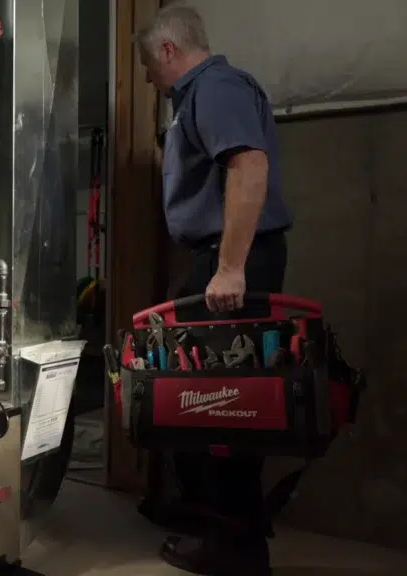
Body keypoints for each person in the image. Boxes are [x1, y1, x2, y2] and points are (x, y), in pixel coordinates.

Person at [134, 5, 292, 575]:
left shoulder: (215, 87)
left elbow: (249, 167)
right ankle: (209, 518)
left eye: (150, 66)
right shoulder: (201, 97)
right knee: (199, 397)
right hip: (221, 257)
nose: (150, 77)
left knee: (222, 407)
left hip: (235, 261)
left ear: (170, 51)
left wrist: (229, 269)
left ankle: (235, 547)